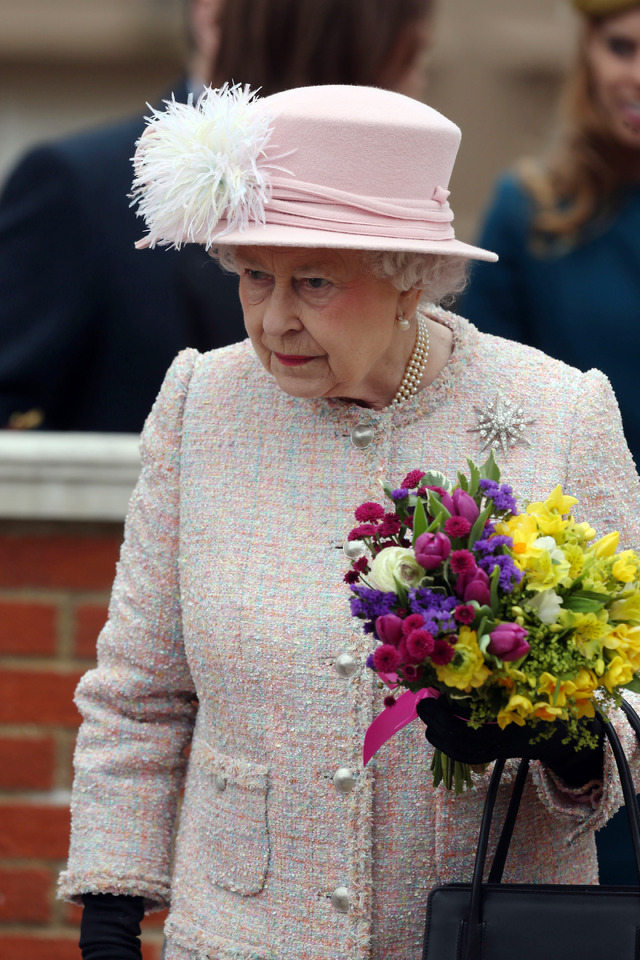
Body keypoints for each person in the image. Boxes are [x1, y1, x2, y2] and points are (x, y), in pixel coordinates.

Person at [58, 84, 640, 960]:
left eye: (314, 282)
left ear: (410, 279)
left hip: (486, 931)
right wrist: (110, 912)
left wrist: (557, 738)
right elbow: (140, 692)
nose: (272, 319)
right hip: (246, 934)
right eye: (255, 275)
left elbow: (629, 684)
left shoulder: (559, 412)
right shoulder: (201, 402)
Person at [0, 0, 433, 433]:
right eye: (400, 52)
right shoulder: (79, 186)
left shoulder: (400, 201)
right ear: (213, 15)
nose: (414, 82)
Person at [455, 0, 640, 883]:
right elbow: (479, 411)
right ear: (587, 55)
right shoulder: (532, 211)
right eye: (622, 45)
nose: (637, 72)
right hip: (583, 603)